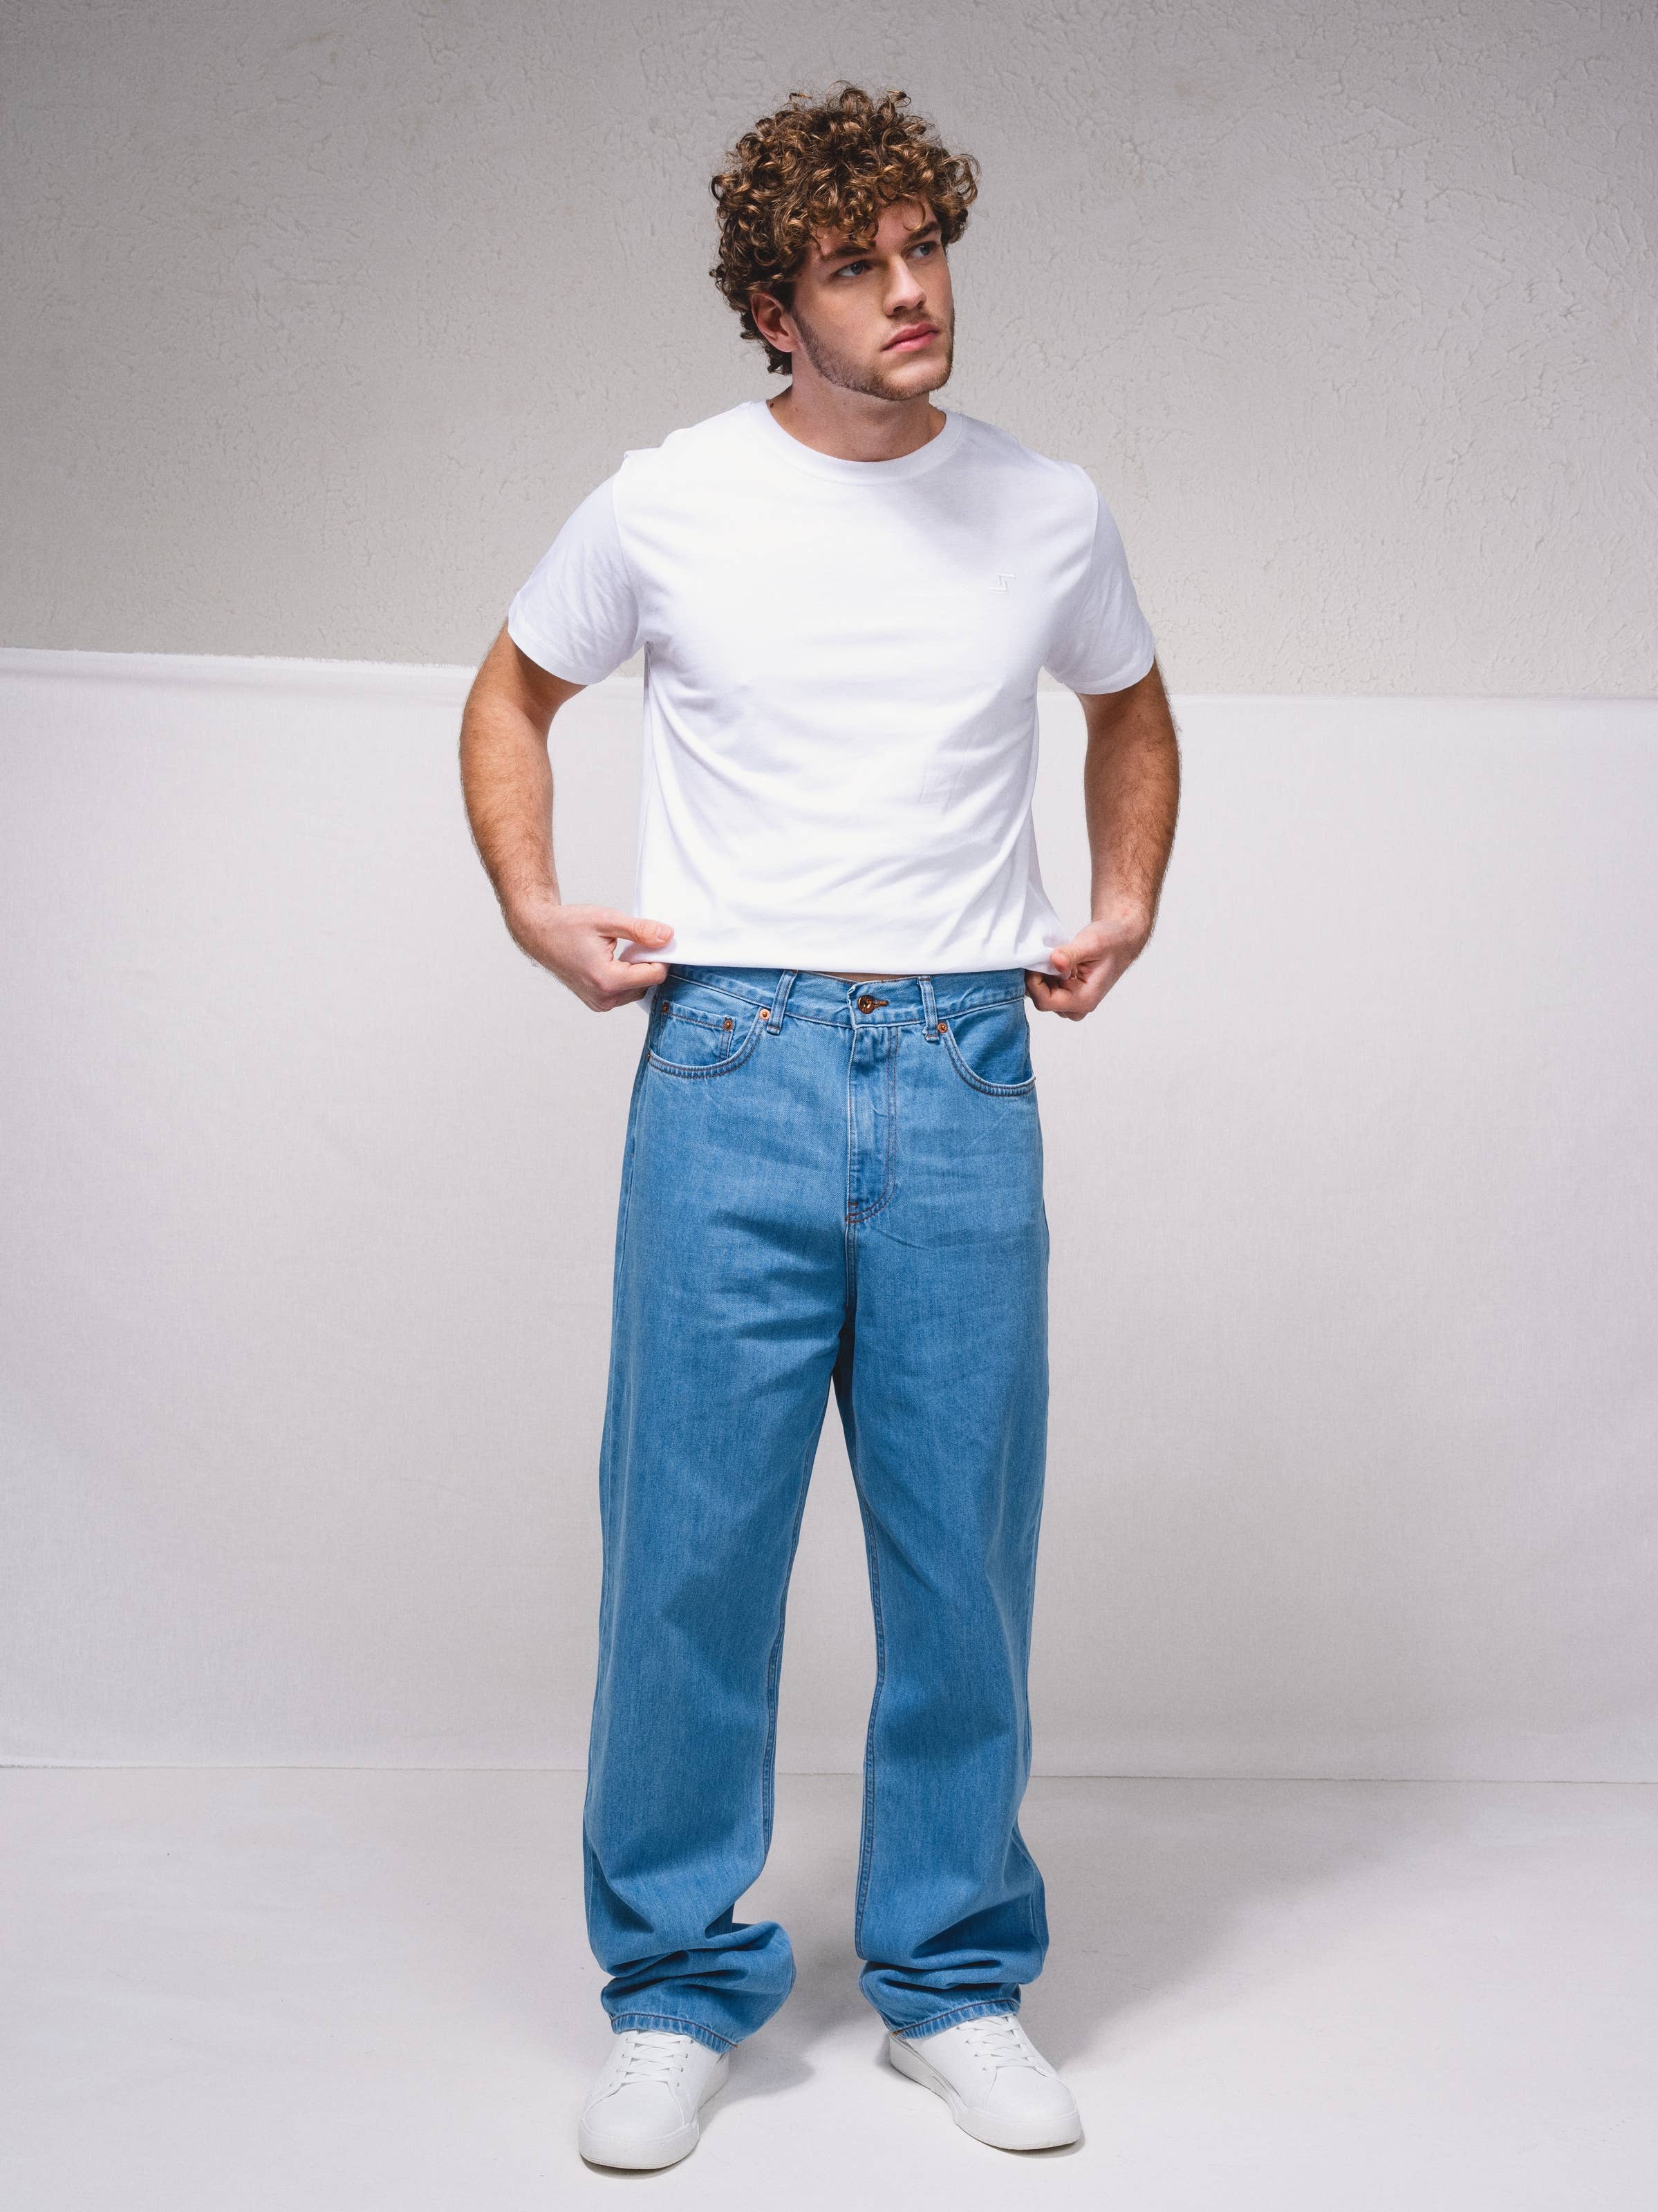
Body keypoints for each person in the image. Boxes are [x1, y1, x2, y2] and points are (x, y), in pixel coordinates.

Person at [458, 82, 1180, 2171]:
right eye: (855, 268)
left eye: (923, 247)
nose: (909, 292)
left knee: (962, 1557)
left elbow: (1129, 702)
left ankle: (952, 1979)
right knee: (691, 1556)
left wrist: (1127, 892)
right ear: (774, 312)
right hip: (732, 1060)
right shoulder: (665, 501)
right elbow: (512, 694)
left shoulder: (1046, 508)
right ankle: (676, 1990)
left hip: (961, 1064)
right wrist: (534, 904)